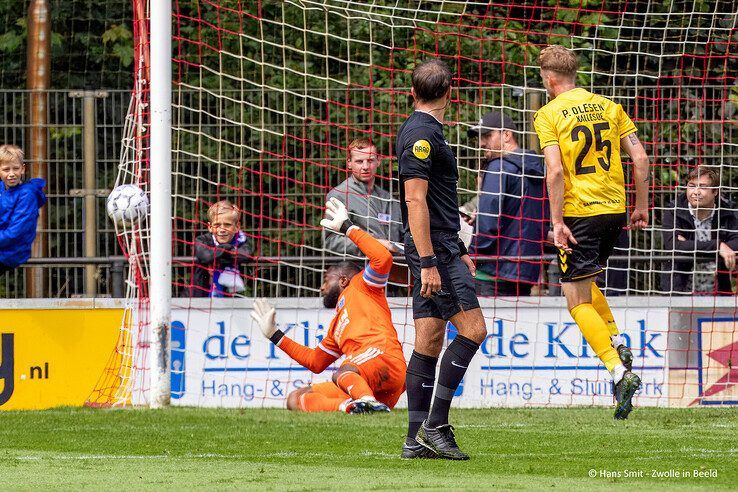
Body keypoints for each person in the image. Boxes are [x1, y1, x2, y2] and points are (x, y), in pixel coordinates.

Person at [533, 45, 650, 420]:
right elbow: (641, 158)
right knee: (584, 281)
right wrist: (642, 206)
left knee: (574, 299)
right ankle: (616, 338)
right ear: (574, 75)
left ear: (549, 80)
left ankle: (617, 370)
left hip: (579, 214)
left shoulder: (548, 114)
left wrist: (557, 223)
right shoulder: (610, 106)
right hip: (615, 210)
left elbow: (554, 171)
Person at [397, 58, 487, 460]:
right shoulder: (420, 133)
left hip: (443, 246)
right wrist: (430, 260)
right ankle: (436, 425)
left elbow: (434, 200)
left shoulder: (427, 130)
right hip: (433, 249)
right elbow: (414, 199)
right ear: (450, 93)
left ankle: (413, 440)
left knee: (430, 339)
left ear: (412, 92)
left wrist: (460, 251)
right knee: (473, 330)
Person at [250, 198, 406, 414]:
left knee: (343, 371)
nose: (322, 288)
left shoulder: (363, 284)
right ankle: (352, 406)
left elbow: (382, 258)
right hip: (365, 383)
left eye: (326, 280)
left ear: (342, 280)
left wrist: (347, 227)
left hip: (385, 361)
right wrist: (275, 335)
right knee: (296, 398)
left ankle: (366, 402)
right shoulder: (336, 327)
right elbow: (315, 362)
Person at [467, 111, 549, 296]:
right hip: (525, 272)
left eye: (487, 136)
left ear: (506, 135)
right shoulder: (538, 169)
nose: (481, 143)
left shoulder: (499, 167)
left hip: (490, 272)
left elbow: (488, 224)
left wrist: (470, 255)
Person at [661, 166, 738, 294]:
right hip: (679, 293)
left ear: (715, 192)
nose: (696, 192)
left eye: (703, 187)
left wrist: (688, 247)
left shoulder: (729, 211)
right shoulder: (674, 210)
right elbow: (674, 246)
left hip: (719, 293)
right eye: (691, 186)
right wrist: (718, 246)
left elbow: (735, 245)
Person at [323, 138, 402, 256]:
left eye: (370, 161)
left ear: (378, 161)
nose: (365, 167)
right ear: (349, 163)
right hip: (357, 268)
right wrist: (373, 245)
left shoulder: (388, 199)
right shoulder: (339, 195)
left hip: (392, 268)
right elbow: (330, 241)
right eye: (359, 161)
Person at [0, 144, 46, 275]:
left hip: (11, 252)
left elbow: (16, 233)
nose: (11, 174)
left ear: (23, 169)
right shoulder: (1, 188)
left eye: (15, 168)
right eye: (6, 169)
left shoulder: (27, 195)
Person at [191, 200, 252, 297]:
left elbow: (245, 255)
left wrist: (217, 254)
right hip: (199, 299)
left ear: (237, 226)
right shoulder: (202, 240)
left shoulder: (242, 240)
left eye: (227, 225)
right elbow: (205, 256)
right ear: (210, 227)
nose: (222, 229)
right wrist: (227, 248)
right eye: (217, 225)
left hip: (234, 301)